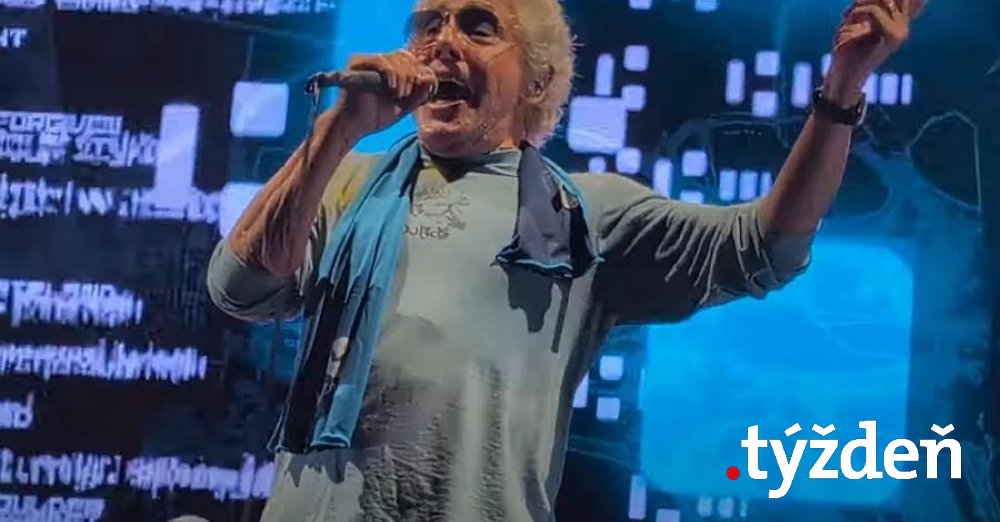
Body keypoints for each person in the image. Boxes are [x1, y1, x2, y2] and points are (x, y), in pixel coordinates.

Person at [206, 0, 920, 519]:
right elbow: (238, 286)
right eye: (428, 25)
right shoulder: (345, 181)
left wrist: (843, 89)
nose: (441, 42)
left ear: (539, 80)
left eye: (477, 26)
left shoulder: (583, 212)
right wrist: (337, 131)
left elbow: (767, 247)